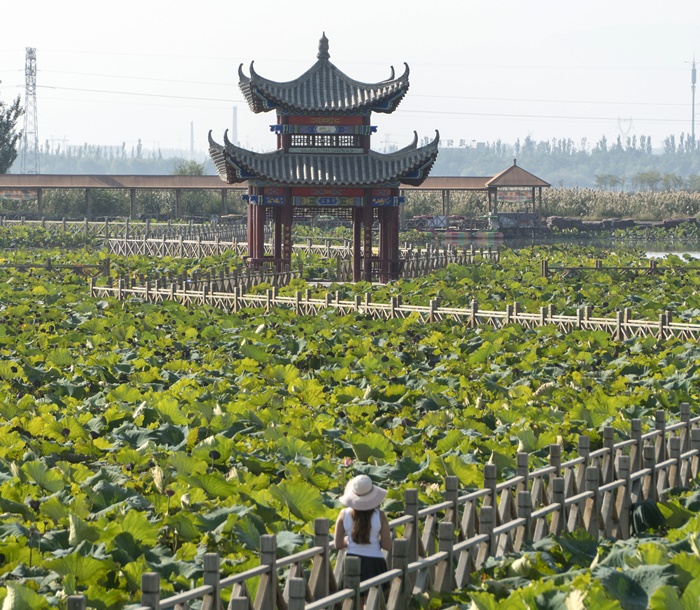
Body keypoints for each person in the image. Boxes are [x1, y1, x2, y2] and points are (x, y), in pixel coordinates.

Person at [334, 474, 392, 584]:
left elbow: (338, 545)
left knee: (354, 600)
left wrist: (348, 541)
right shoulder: (380, 516)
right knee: (374, 599)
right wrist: (374, 542)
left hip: (351, 560)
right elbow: (387, 545)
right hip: (375, 562)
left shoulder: (343, 514)